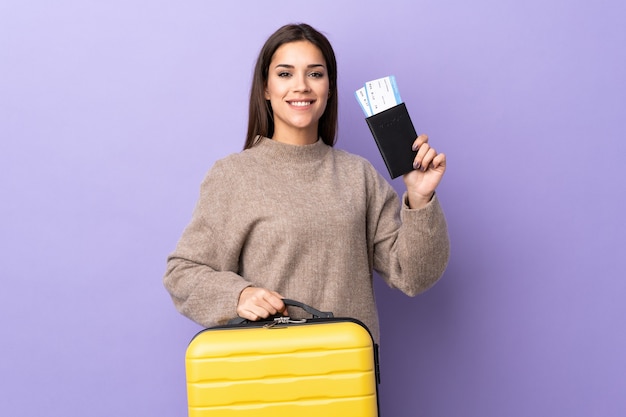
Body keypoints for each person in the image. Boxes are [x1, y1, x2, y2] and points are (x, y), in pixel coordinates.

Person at [163, 23, 449, 343]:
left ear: (329, 87)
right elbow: (183, 273)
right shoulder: (234, 176)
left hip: (348, 377)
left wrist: (420, 198)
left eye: (315, 74)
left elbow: (413, 276)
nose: (301, 86)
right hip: (266, 375)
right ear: (266, 88)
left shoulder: (360, 176)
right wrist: (238, 295)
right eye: (285, 74)